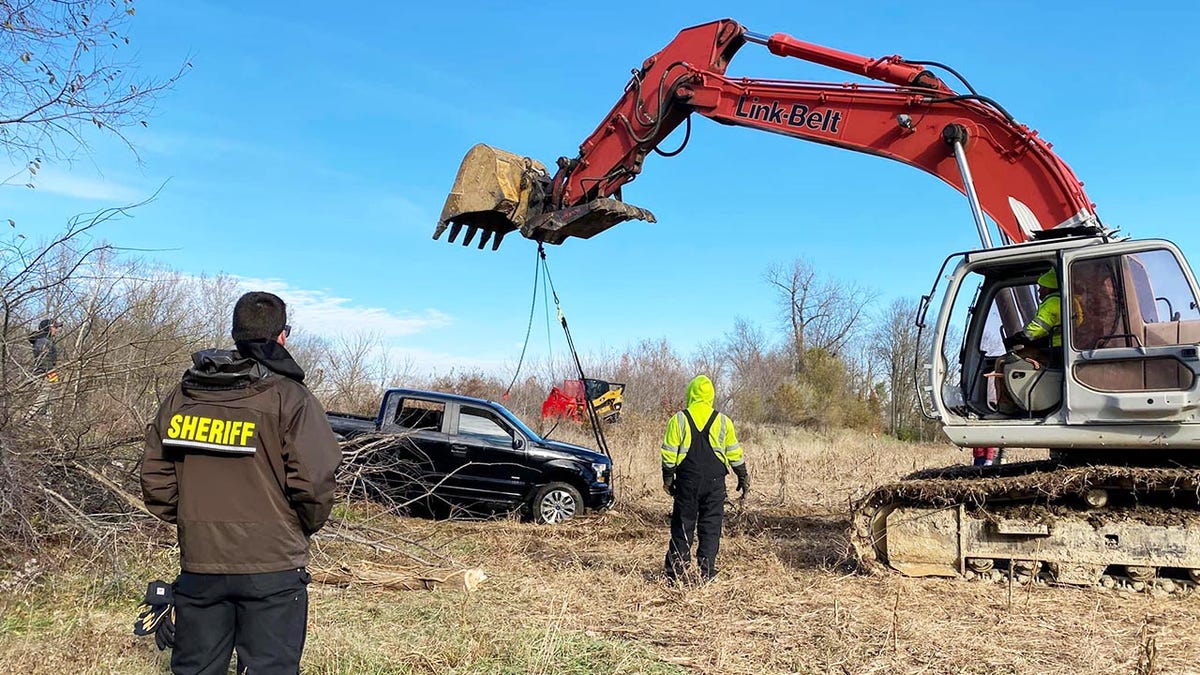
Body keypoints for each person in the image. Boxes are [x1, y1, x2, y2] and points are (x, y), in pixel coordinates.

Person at [141, 291, 342, 675]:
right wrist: (299, 526)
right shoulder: (289, 397)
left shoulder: (184, 395)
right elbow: (315, 483)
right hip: (273, 566)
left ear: (235, 334)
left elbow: (156, 476)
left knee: (196, 669)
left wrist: (192, 519)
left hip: (201, 564)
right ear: (282, 336)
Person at [660, 375, 748, 583]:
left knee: (683, 525)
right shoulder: (723, 421)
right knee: (711, 526)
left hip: (687, 481)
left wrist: (668, 479)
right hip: (715, 482)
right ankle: (706, 572)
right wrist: (742, 475)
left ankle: (675, 575)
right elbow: (734, 452)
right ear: (711, 396)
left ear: (690, 394)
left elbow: (669, 453)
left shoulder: (679, 419)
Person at [990, 268, 1064, 416]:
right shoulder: (1064, 300)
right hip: (1059, 348)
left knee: (1002, 362)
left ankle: (1006, 408)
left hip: (1055, 351)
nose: (1038, 291)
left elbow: (1035, 330)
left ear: (1049, 287)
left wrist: (1018, 338)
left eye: (1041, 287)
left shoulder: (1052, 303)